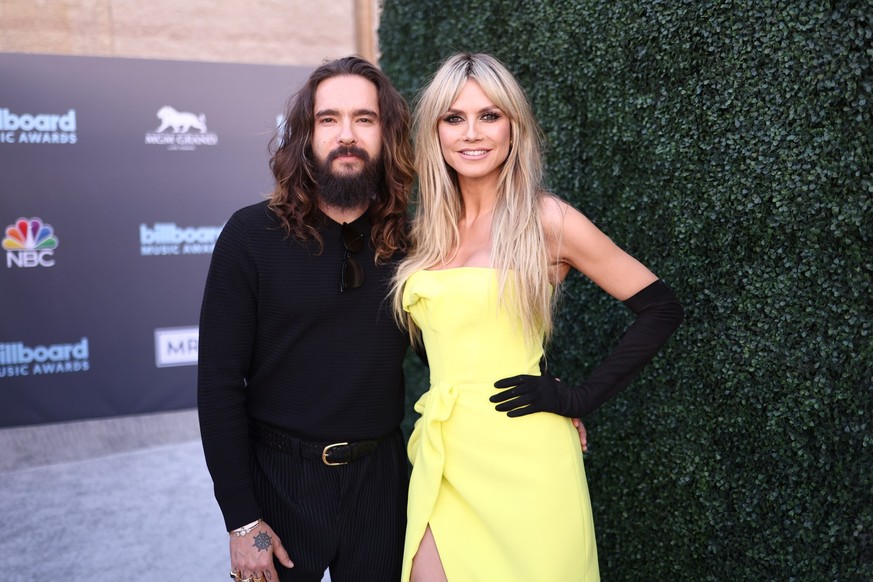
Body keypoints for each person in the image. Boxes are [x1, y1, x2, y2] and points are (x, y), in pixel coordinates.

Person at [391, 53, 684, 581]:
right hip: (444, 454)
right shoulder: (428, 231)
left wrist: (576, 397)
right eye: (453, 118)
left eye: (490, 115)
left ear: (513, 127)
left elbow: (660, 308)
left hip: (527, 454)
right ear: (434, 132)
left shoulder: (548, 219)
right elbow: (450, 334)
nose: (471, 133)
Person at [198, 56, 414, 582]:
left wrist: (547, 389)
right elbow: (219, 385)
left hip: (383, 485)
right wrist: (243, 521)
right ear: (304, 135)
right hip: (279, 482)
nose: (347, 135)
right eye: (328, 119)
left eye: (365, 118)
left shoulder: (413, 243)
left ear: (387, 135)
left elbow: (459, 345)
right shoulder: (251, 235)